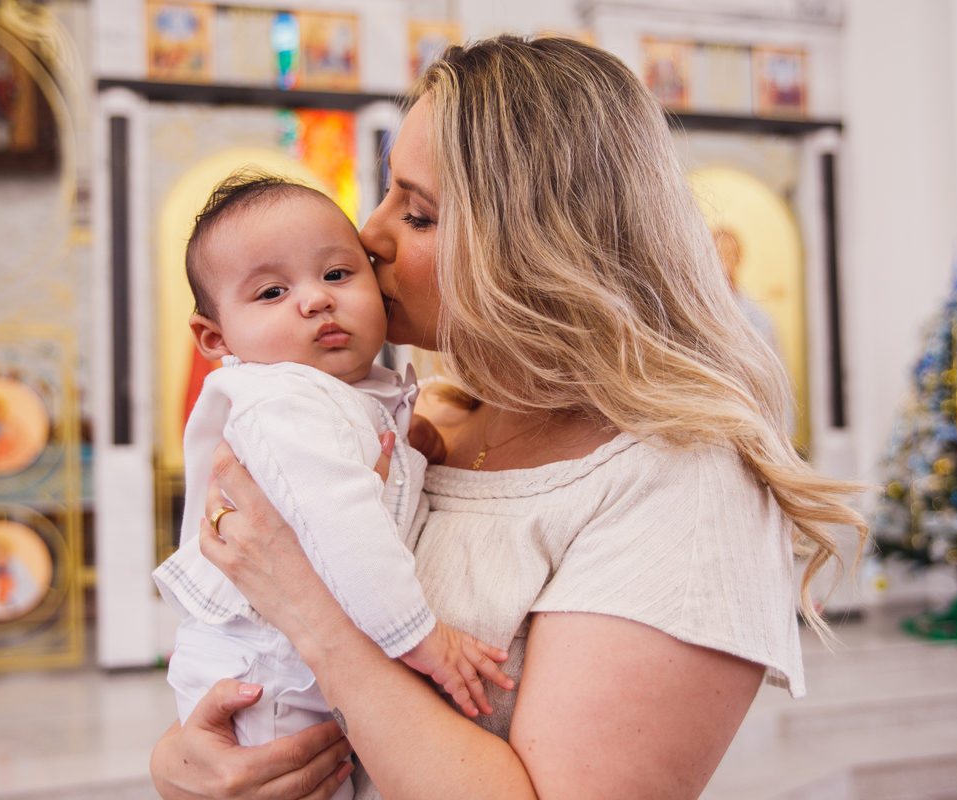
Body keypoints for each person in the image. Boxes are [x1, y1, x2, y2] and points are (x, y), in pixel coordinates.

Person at [151, 35, 866, 800]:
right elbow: (246, 661)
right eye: (388, 190)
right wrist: (185, 761)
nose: (369, 235)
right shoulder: (427, 426)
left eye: (419, 214)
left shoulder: (683, 482)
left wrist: (309, 608)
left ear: (536, 248)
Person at [152, 171, 513, 800]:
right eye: (271, 291)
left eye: (338, 275)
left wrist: (412, 452)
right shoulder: (283, 401)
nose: (315, 300)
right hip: (267, 677)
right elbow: (343, 521)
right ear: (216, 338)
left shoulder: (349, 393)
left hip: (298, 669)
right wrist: (420, 638)